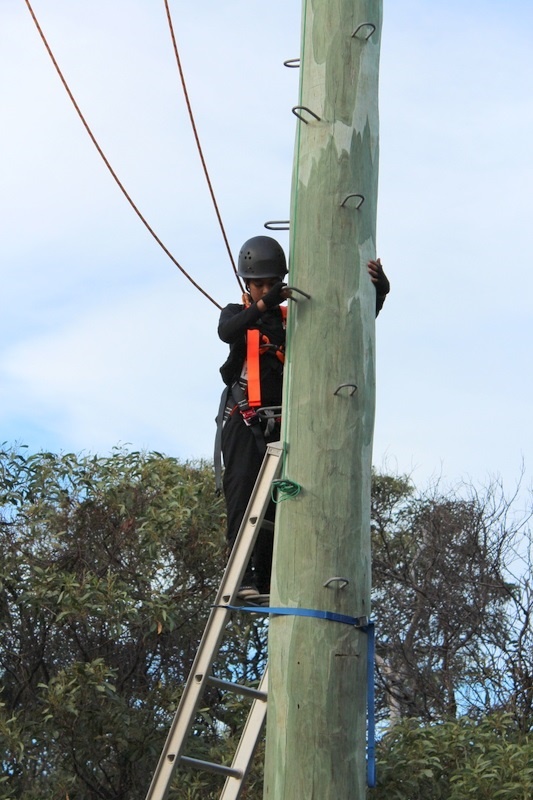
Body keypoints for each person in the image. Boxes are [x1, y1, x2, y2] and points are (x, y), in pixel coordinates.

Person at [216, 235, 389, 600]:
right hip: (245, 417)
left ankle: (266, 579)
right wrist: (262, 304)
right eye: (258, 283)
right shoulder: (238, 313)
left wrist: (380, 292)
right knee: (243, 491)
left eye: (271, 282)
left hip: (286, 422)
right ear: (247, 284)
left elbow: (347, 325)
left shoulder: (291, 317)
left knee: (282, 501)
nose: (265, 289)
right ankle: (241, 575)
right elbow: (226, 333)